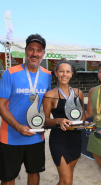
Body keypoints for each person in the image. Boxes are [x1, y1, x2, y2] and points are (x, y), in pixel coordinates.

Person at [0, 34, 52, 185]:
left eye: (39, 50)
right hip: (10, 136)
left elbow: (46, 104)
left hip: (36, 136)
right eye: (31, 49)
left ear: (43, 53)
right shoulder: (10, 73)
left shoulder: (47, 75)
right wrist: (17, 126)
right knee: (8, 178)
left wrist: (47, 121)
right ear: (25, 51)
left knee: (34, 173)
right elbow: (1, 105)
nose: (35, 54)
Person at [43, 58, 85, 185]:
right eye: (61, 71)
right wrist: (58, 120)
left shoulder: (79, 93)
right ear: (56, 73)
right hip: (59, 140)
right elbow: (44, 120)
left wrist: (80, 122)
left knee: (66, 179)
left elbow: (83, 117)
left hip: (75, 138)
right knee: (67, 180)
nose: (64, 75)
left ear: (72, 73)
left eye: (68, 72)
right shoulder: (49, 95)